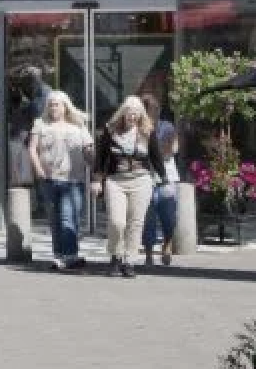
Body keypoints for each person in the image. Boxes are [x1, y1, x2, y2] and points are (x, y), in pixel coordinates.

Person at [95, 95, 161, 279]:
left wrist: (163, 178)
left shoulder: (147, 131)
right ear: (123, 113)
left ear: (141, 115)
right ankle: (115, 256)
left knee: (136, 222)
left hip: (141, 180)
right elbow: (100, 158)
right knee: (117, 222)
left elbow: (156, 157)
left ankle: (129, 261)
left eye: (136, 114)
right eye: (129, 113)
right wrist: (96, 180)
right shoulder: (111, 131)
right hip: (116, 180)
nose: (132, 117)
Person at [27, 90, 94, 271]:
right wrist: (38, 169)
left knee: (68, 219)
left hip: (72, 180)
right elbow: (32, 149)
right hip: (48, 179)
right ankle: (60, 255)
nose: (53, 107)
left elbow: (88, 151)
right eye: (50, 104)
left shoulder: (78, 125)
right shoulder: (40, 124)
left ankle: (69, 255)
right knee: (55, 221)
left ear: (65, 107)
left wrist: (97, 172)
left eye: (57, 104)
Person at [140, 93, 182, 267]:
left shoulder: (167, 126)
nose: (156, 112)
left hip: (167, 179)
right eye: (152, 109)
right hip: (145, 179)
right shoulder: (138, 129)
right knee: (147, 219)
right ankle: (148, 253)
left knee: (169, 217)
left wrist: (150, 150)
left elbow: (171, 149)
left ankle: (167, 243)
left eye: (157, 109)